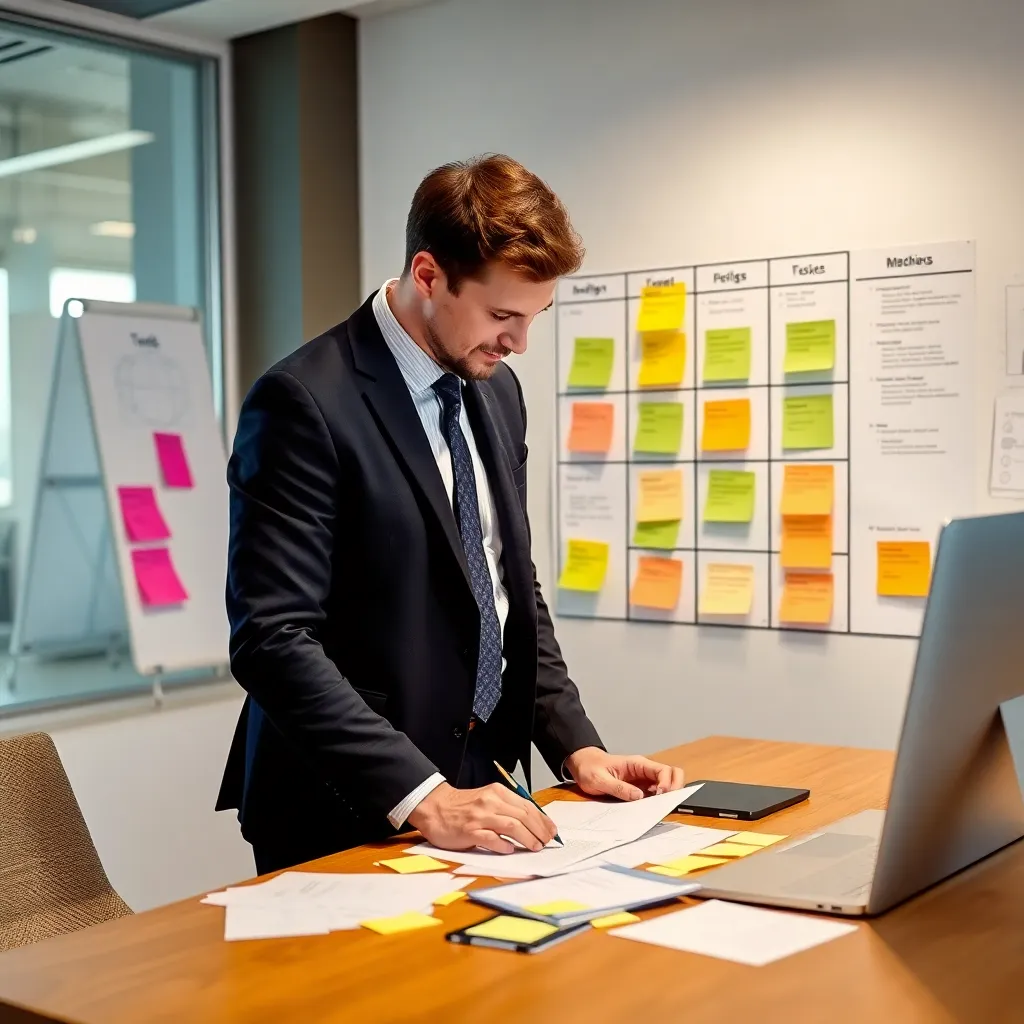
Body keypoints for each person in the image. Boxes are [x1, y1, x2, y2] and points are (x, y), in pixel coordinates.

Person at [217, 154, 687, 874]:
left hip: (485, 784)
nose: (519, 343)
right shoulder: (303, 401)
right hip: (349, 801)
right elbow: (273, 638)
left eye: (535, 318)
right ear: (429, 274)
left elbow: (504, 584)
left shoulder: (496, 391)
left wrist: (575, 745)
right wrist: (424, 795)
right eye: (502, 315)